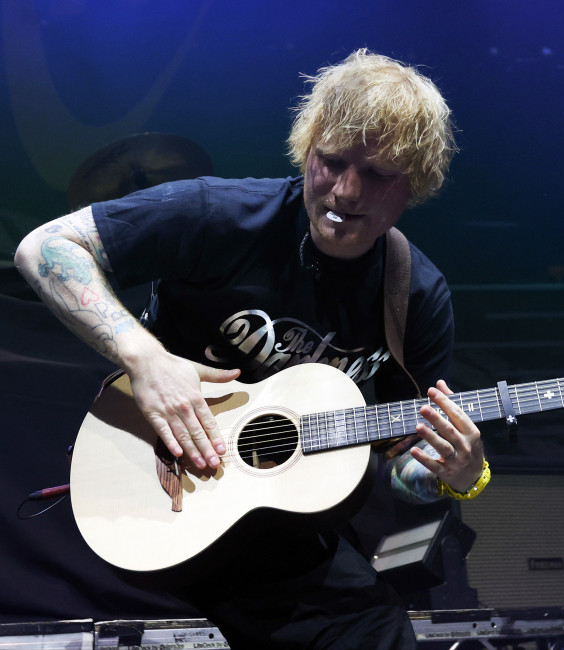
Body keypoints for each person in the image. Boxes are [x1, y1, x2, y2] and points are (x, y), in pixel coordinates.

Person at [15, 49, 487, 649]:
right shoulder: (223, 214)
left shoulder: (416, 295)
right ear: (307, 149)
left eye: (375, 174)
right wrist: (148, 360)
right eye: (331, 162)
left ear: (413, 183)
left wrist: (454, 475)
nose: (345, 190)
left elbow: (399, 467)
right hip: (152, 483)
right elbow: (46, 248)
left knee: (376, 629)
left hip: (277, 529)